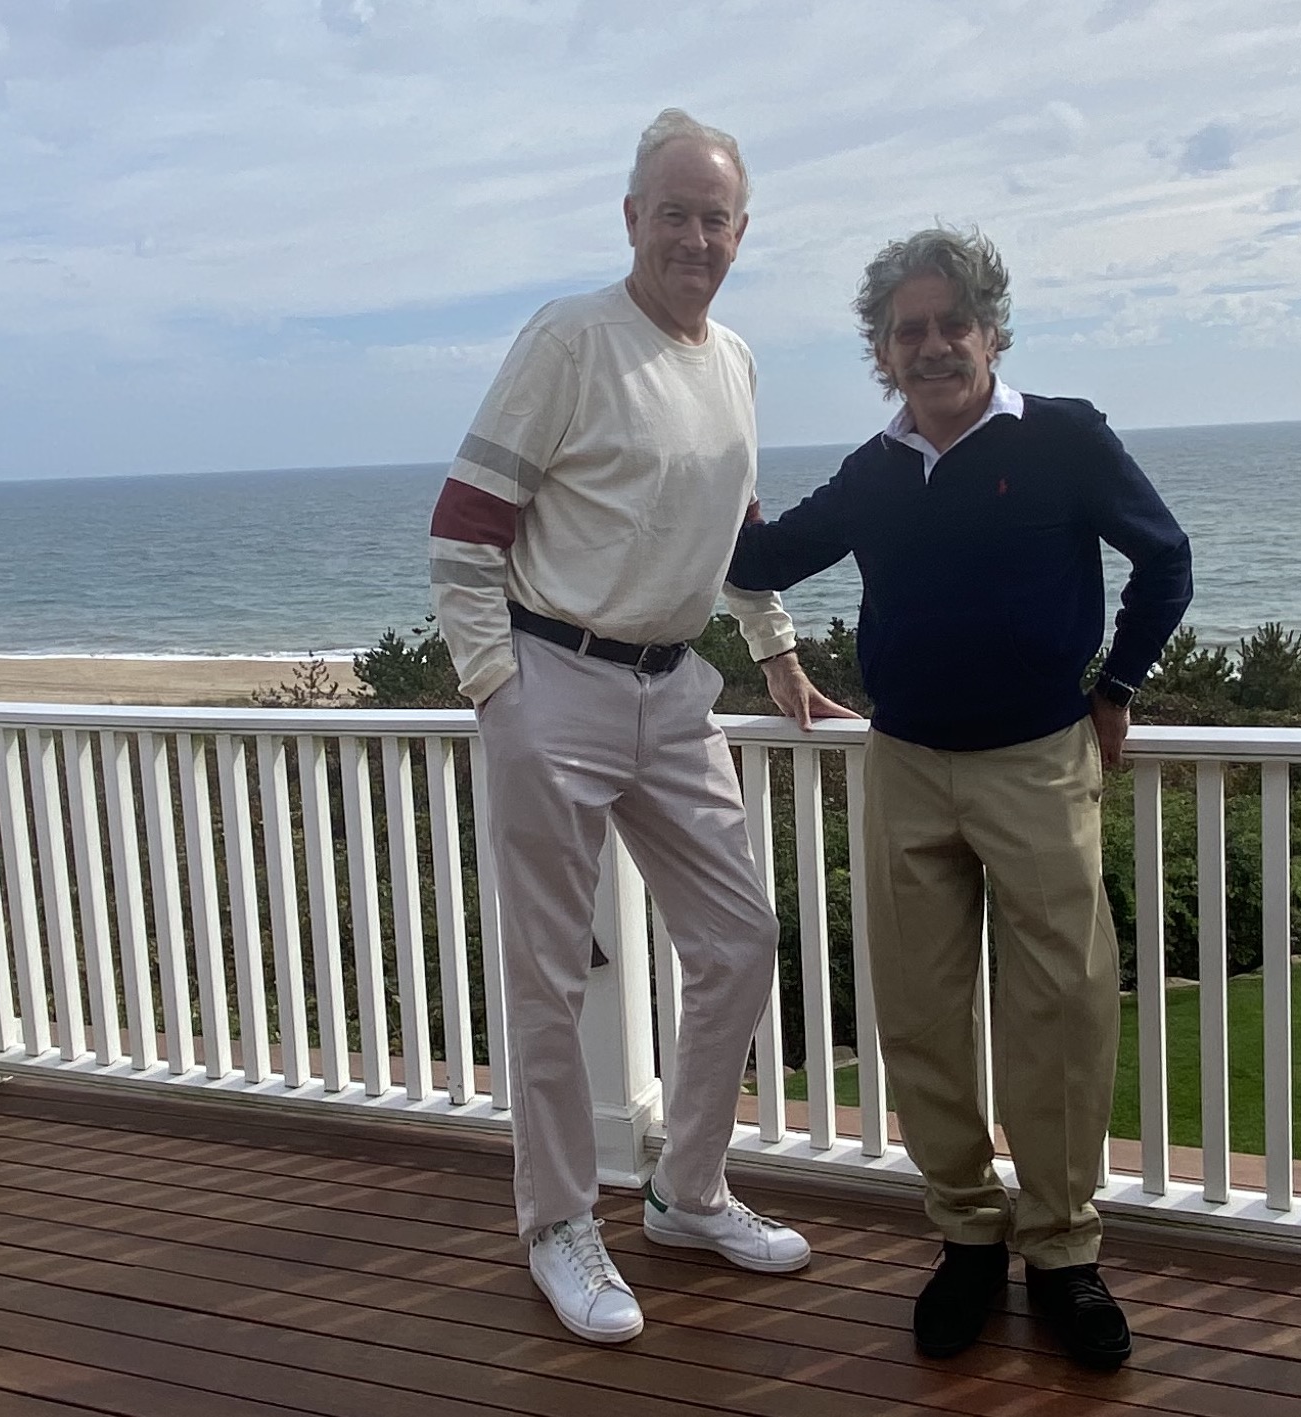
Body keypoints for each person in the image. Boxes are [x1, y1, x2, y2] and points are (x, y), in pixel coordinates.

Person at [727, 227, 1192, 1371]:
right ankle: (967, 1239)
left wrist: (1117, 686)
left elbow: (1164, 557)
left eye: (951, 325)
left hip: (1036, 759)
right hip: (905, 765)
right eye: (908, 332)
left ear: (990, 331)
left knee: (1063, 1012)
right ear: (883, 352)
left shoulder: (1064, 438)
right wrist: (699, 473)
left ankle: (1064, 1252)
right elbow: (766, 558)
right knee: (920, 1016)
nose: (931, 347)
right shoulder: (874, 470)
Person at [428, 109, 854, 1346]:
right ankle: (559, 1220)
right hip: (553, 673)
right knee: (552, 975)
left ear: (741, 232)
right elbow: (463, 528)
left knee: (739, 938)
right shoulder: (569, 338)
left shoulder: (736, 362)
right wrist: (498, 689)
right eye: (672, 211)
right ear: (631, 220)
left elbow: (735, 525)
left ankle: (686, 1189)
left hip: (676, 691)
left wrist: (775, 651)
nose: (694, 234)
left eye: (715, 215)